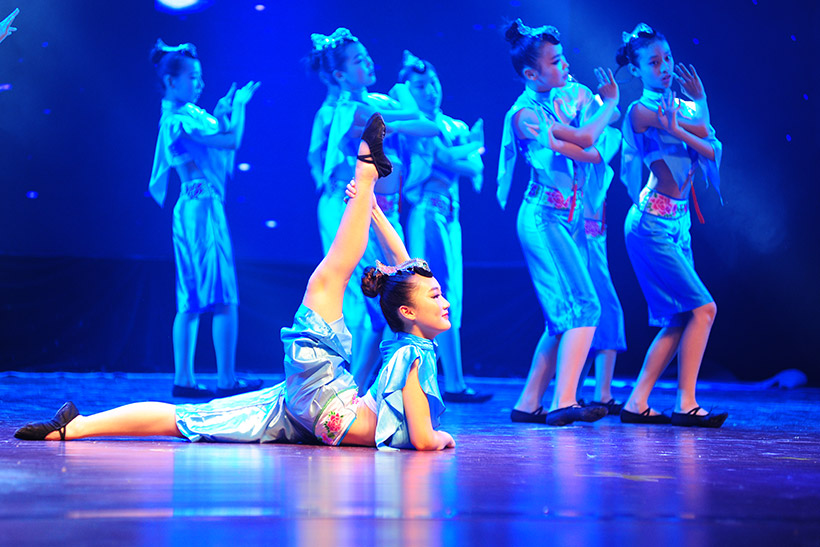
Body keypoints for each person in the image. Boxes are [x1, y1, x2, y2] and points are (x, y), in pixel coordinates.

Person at [15, 114, 456, 451]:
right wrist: (371, 209)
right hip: (320, 403)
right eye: (436, 294)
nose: (446, 301)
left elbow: (408, 273)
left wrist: (370, 209)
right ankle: (366, 171)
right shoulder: (412, 349)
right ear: (407, 311)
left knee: (189, 418)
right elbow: (422, 438)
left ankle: (76, 427)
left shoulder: (408, 346)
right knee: (333, 273)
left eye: (439, 293)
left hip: (314, 407)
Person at [497, 19, 620, 425]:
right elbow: (587, 140)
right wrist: (609, 106)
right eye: (555, 62)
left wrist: (595, 125)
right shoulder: (525, 115)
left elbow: (594, 147)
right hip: (543, 217)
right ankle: (563, 400)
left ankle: (529, 401)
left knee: (563, 314)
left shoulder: (560, 101)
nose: (565, 65)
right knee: (585, 303)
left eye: (563, 58)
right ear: (531, 74)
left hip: (565, 218)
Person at [307, 28, 438, 390]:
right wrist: (399, 111)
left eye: (367, 57)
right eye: (357, 61)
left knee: (389, 296)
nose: (367, 63)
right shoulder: (346, 109)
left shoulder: (377, 102)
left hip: (383, 211)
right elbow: (413, 117)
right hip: (351, 208)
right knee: (362, 297)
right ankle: (343, 385)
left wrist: (392, 122)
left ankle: (357, 387)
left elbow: (430, 126)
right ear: (339, 75)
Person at [616, 24, 727, 427]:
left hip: (677, 223)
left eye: (667, 59)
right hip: (651, 224)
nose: (664, 68)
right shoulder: (640, 110)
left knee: (681, 317)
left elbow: (710, 146)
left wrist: (698, 106)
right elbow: (701, 131)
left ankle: (637, 402)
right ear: (636, 69)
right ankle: (686, 403)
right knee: (704, 309)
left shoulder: (679, 107)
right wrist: (695, 114)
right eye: (653, 62)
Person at [147, 40, 262, 398]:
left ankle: (185, 378)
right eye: (192, 78)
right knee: (223, 296)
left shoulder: (186, 116)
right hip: (202, 208)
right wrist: (239, 109)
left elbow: (213, 141)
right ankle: (225, 379)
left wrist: (222, 114)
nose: (199, 83)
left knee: (192, 297)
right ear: (171, 82)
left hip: (194, 206)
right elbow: (228, 142)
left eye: (199, 77)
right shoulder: (179, 120)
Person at [388, 50, 491, 403]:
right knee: (428, 292)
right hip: (427, 211)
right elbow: (448, 158)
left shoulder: (453, 126)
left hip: (451, 215)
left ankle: (454, 382)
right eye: (420, 86)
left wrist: (465, 153)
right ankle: (432, 380)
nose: (430, 90)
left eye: (432, 83)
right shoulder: (415, 127)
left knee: (451, 295)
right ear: (408, 90)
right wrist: (474, 146)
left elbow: (474, 168)